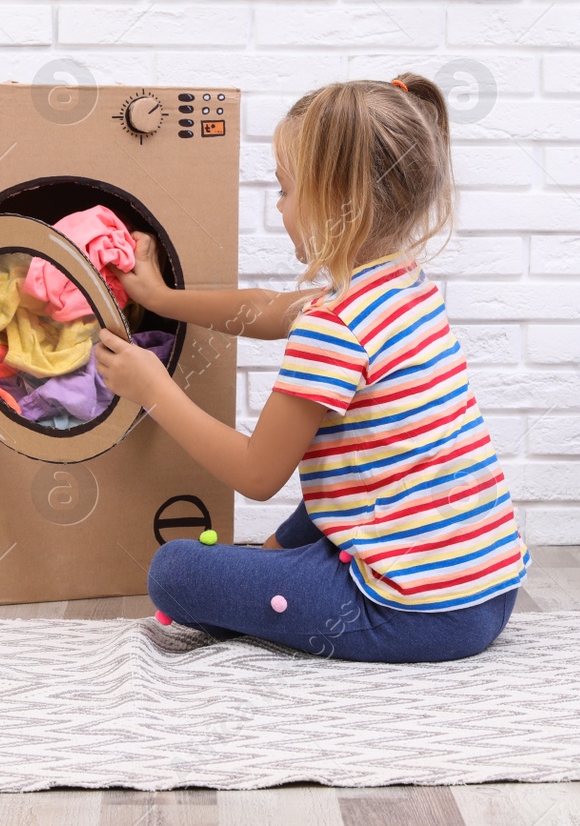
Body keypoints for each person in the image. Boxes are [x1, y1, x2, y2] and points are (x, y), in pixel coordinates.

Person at [95, 74, 527, 662]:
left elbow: (255, 473)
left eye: (284, 190)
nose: (279, 208)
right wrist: (164, 297)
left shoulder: (335, 326)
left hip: (409, 611)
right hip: (488, 591)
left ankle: (286, 585)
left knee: (175, 571)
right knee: (336, 485)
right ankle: (282, 570)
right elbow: (266, 310)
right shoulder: (400, 286)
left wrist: (152, 388)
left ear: (335, 197)